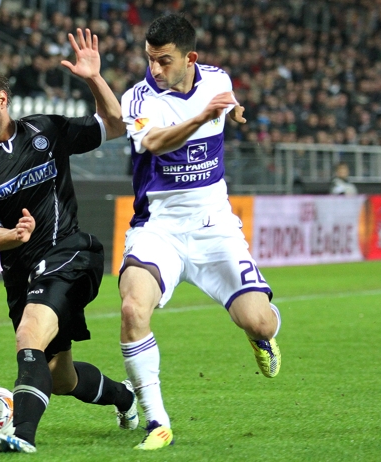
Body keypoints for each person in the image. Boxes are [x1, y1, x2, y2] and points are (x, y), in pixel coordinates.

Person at [0, 29, 136, 454]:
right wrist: (14, 235)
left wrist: (94, 78)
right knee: (60, 377)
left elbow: (114, 125)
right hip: (23, 274)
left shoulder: (46, 131)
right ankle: (125, 398)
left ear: (2, 100)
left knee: (29, 337)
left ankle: (20, 435)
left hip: (70, 252)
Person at [118, 14, 282, 450]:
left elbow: (224, 101)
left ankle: (260, 338)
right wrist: (203, 117)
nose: (155, 69)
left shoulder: (216, 80)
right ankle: (156, 422)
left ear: (190, 58)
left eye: (164, 61)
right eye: (150, 60)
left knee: (261, 322)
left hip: (214, 225)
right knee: (133, 309)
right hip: (159, 228)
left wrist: (232, 108)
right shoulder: (137, 98)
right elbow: (153, 143)